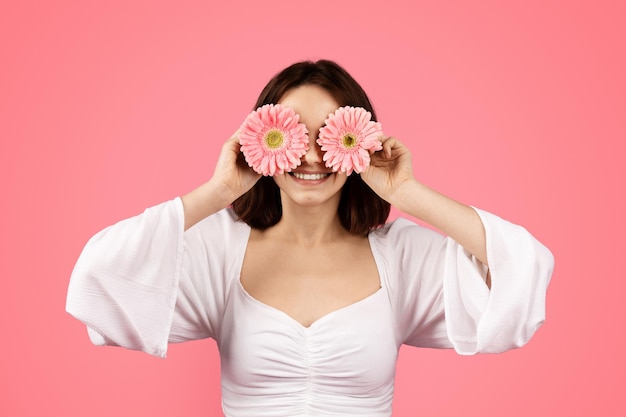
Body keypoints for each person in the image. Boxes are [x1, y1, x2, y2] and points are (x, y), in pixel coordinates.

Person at [66, 59, 554, 417]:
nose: (312, 155)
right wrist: (219, 191)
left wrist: (406, 191)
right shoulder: (218, 250)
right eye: (291, 132)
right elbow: (99, 278)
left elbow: (521, 269)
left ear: (360, 144)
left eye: (331, 135)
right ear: (258, 141)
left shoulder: (399, 256)